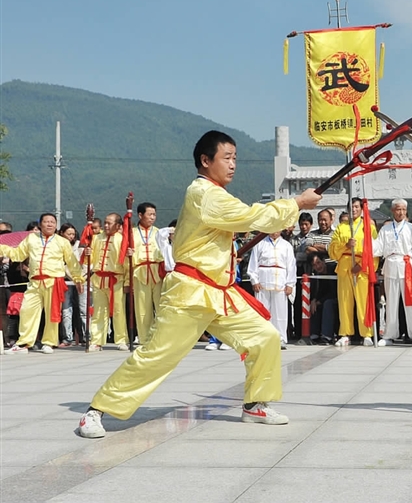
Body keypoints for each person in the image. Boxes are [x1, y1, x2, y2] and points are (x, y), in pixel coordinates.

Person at [77, 130, 321, 439]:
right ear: (205, 161)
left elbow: (239, 221)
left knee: (264, 337)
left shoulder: (215, 193)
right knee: (158, 355)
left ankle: (255, 404)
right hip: (190, 293)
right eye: (227, 158)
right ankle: (96, 410)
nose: (233, 165)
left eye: (235, 158)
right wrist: (297, 202)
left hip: (219, 292)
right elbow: (249, 217)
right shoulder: (204, 193)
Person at [1, 214, 84, 354]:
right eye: (46, 222)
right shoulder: (31, 238)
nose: (49, 224)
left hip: (53, 280)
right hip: (34, 281)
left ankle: (49, 342)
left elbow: (72, 262)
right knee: (27, 310)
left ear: (56, 225)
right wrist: (2, 249)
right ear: (41, 224)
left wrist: (78, 278)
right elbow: (18, 255)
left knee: (52, 313)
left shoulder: (61, 241)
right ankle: (24, 343)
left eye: (52, 222)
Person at [374, 199, 412, 347]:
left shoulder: (411, 228)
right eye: (398, 209)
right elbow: (378, 247)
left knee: (411, 303)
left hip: (408, 267)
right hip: (391, 266)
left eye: (403, 209)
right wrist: (365, 243)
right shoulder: (386, 229)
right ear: (392, 211)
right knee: (391, 304)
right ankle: (389, 334)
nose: (401, 212)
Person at [328, 198, 378, 347]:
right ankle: (345, 333)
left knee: (363, 302)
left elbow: (374, 250)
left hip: (362, 267)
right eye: (351, 207)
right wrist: (346, 245)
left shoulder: (368, 226)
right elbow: (332, 250)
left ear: (361, 209)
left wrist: (362, 265)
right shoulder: (341, 227)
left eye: (356, 207)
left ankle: (367, 333)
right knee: (344, 302)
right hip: (345, 267)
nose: (354, 210)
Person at [87, 213, 129, 351]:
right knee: (99, 311)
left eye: (109, 223)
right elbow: (91, 259)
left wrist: (128, 282)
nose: (106, 225)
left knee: (118, 311)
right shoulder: (96, 238)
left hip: (116, 280)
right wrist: (87, 253)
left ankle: (121, 339)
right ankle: (97, 340)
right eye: (105, 222)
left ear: (118, 225)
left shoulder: (122, 240)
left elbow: (127, 264)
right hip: (99, 279)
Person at [248, 231, 296, 348]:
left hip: (280, 282)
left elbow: (291, 265)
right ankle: (263, 339)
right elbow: (253, 264)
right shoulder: (260, 244)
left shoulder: (286, 246)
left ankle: (280, 338)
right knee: (262, 312)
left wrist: (290, 284)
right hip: (263, 283)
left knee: (280, 313)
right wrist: (254, 280)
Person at [130, 202, 164, 345]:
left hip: (158, 272)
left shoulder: (159, 232)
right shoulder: (131, 233)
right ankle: (145, 340)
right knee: (142, 309)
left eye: (154, 214)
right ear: (140, 215)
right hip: (140, 272)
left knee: (161, 307)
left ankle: (162, 338)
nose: (152, 217)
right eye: (149, 214)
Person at [308, 253, 338, 345]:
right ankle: (315, 334)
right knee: (313, 304)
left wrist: (319, 301)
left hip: (338, 297)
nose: (317, 266)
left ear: (324, 261)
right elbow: (322, 290)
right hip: (327, 297)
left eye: (319, 263)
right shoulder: (319, 275)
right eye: (314, 265)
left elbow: (334, 291)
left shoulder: (334, 269)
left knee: (327, 304)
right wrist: (315, 299)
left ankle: (327, 336)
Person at [57, 223, 80, 347]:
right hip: (65, 281)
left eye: (73, 234)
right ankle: (67, 338)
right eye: (68, 234)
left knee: (82, 310)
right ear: (61, 233)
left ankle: (84, 337)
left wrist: (80, 278)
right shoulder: (57, 245)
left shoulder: (79, 245)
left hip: (80, 280)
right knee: (66, 310)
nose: (71, 236)